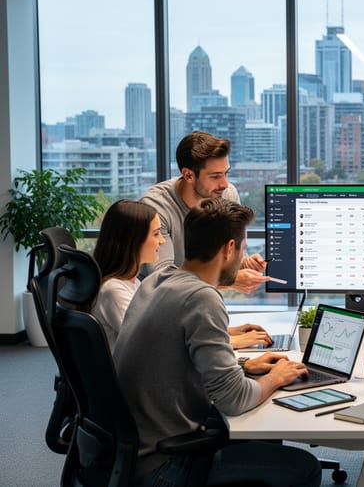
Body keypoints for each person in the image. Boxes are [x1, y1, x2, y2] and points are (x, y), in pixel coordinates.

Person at [114, 197, 320, 486]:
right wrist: (276, 377)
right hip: (164, 464)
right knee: (304, 466)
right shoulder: (201, 298)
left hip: (131, 450)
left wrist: (247, 365)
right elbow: (234, 399)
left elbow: (178, 358)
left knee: (265, 433)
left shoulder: (158, 281)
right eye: (243, 247)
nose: (242, 255)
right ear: (229, 248)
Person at [141, 130, 273, 349]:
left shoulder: (227, 195)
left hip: (199, 313)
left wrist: (245, 263)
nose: (224, 184)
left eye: (226, 173)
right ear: (189, 175)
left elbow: (228, 256)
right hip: (162, 321)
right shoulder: (156, 207)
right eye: (215, 176)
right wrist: (230, 281)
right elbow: (163, 281)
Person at [92, 200, 165, 353]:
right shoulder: (113, 291)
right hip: (132, 374)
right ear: (133, 240)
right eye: (156, 234)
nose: (162, 241)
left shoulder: (132, 282)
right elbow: (150, 344)